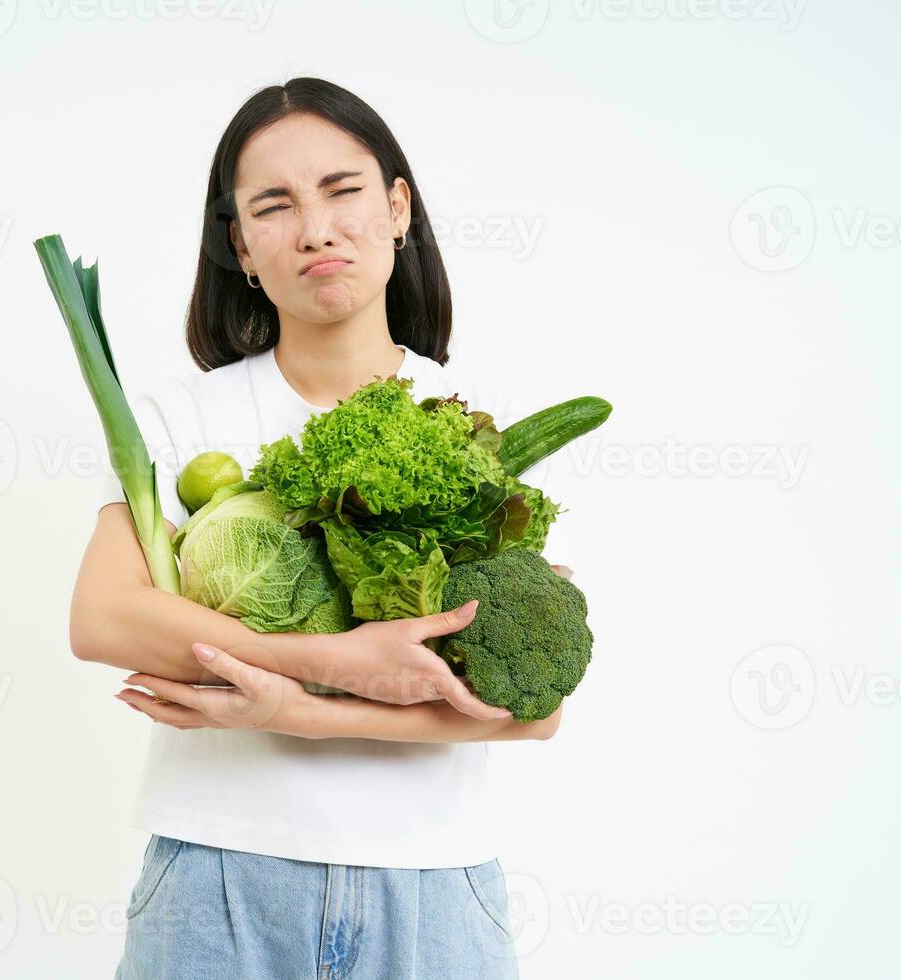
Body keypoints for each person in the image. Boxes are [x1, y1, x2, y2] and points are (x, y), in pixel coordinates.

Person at [74, 77, 570, 979]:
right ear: (241, 248)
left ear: (397, 209)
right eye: (274, 205)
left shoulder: (477, 432)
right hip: (214, 877)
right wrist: (334, 662)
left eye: (343, 191)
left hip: (433, 887)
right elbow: (104, 620)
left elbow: (529, 712)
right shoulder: (181, 421)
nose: (315, 229)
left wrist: (293, 712)